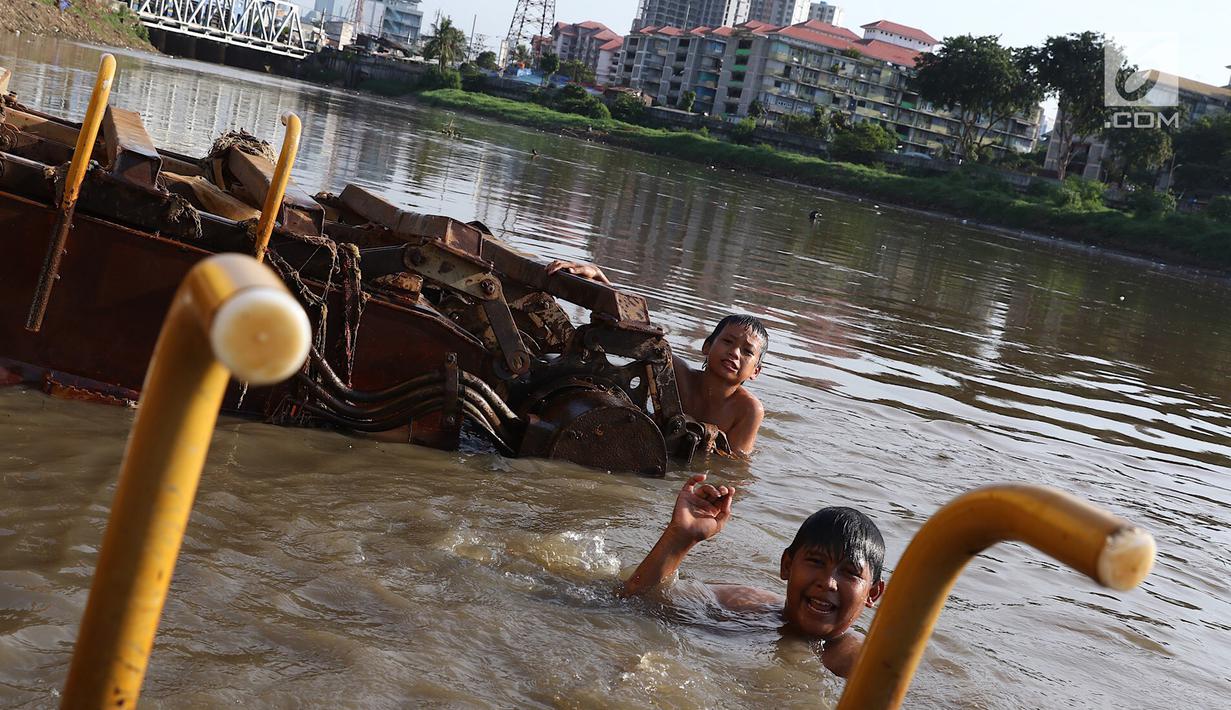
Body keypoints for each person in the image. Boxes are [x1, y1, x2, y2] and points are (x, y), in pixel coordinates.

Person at [620, 474, 886, 678]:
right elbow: (634, 601)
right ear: (786, 565)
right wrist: (680, 538)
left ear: (872, 594)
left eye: (850, 573)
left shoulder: (858, 663)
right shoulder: (745, 606)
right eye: (816, 562)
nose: (828, 582)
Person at [546, 260, 767, 456]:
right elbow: (633, 333)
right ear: (706, 347)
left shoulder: (747, 410)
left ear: (756, 371)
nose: (735, 353)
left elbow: (733, 467)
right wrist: (600, 279)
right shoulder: (677, 373)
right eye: (728, 342)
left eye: (747, 351)